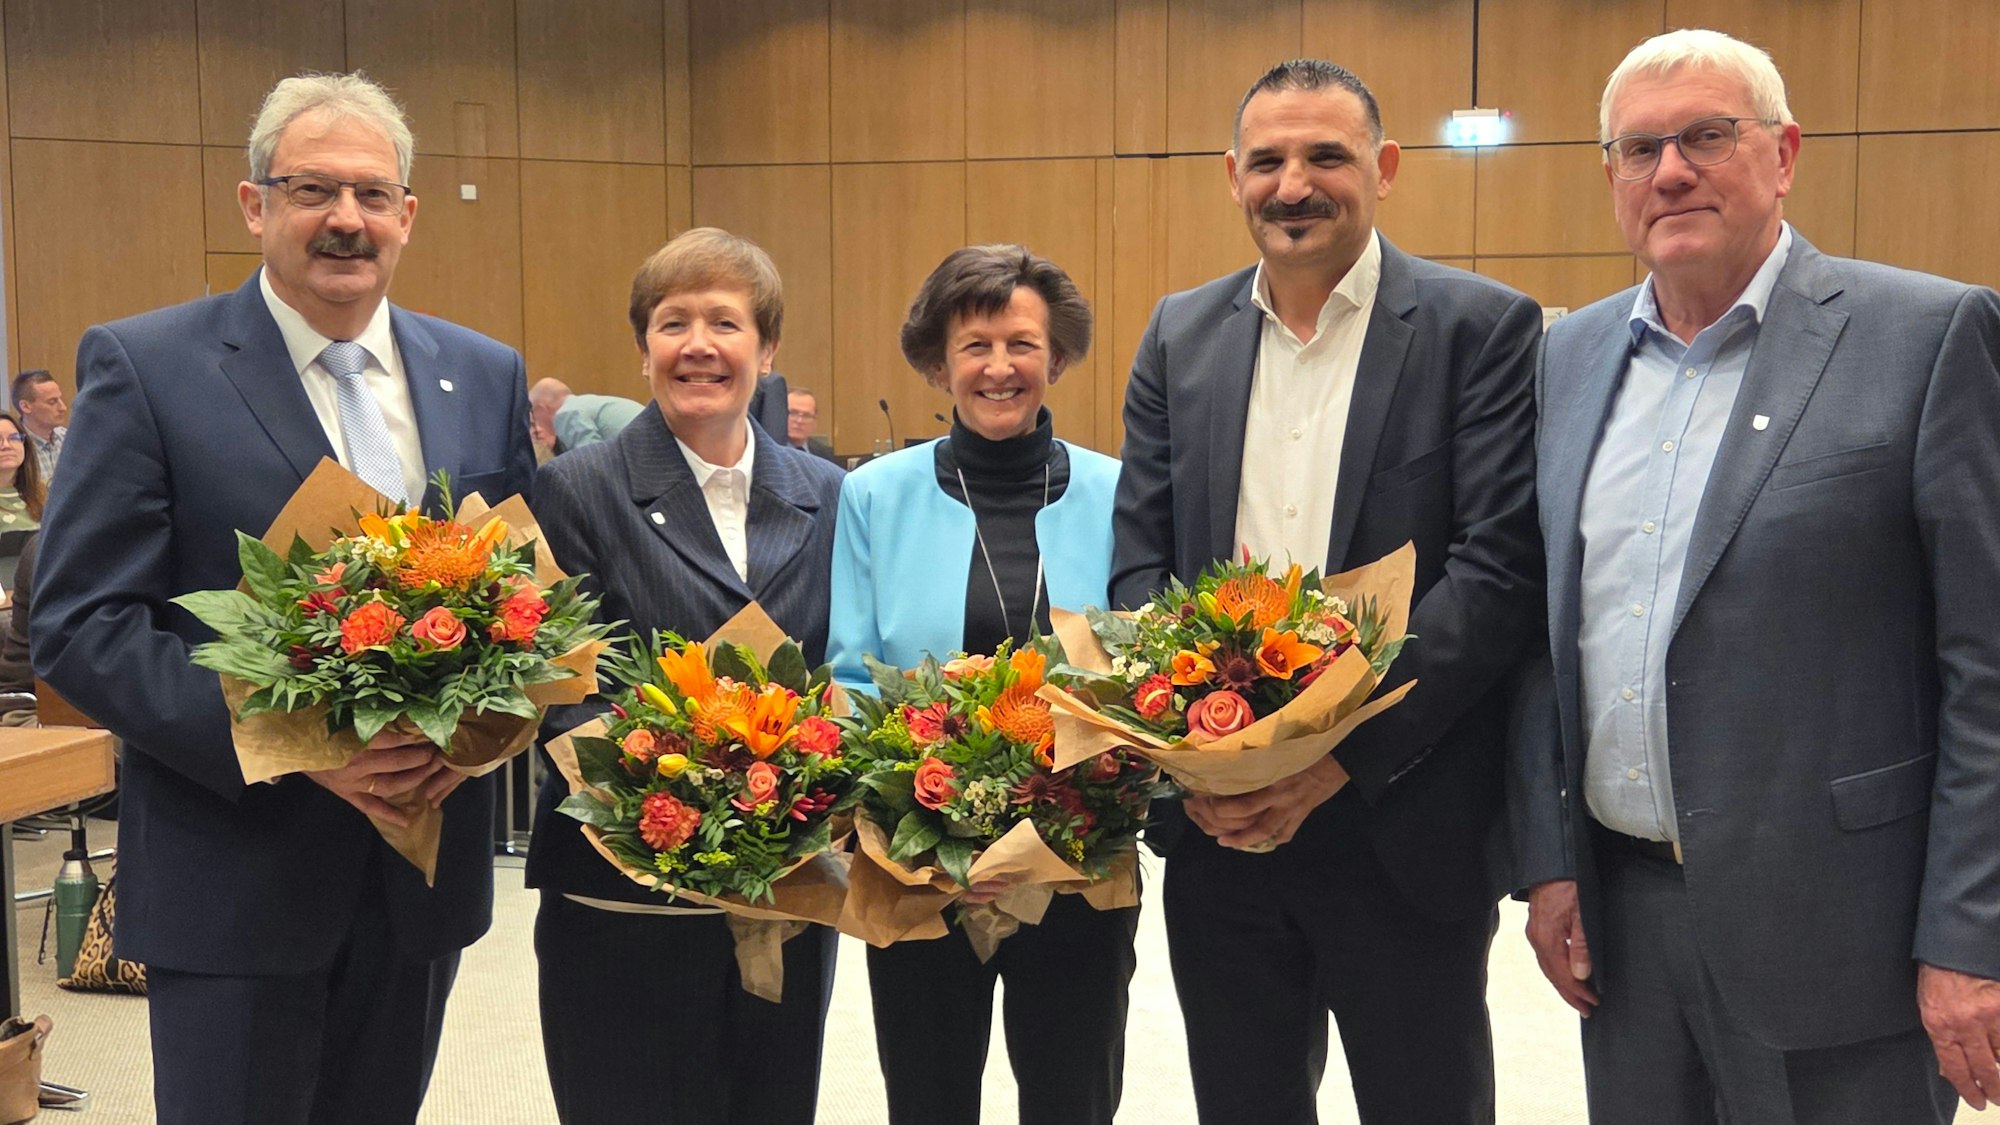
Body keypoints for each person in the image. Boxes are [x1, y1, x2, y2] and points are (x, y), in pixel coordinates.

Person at [1512, 28, 2000, 1124]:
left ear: (1782, 154)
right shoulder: (1566, 357)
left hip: (1846, 941)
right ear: (1609, 178)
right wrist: (1549, 864)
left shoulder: (1922, 335)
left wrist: (1969, 934)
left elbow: (1985, 667)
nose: (1669, 171)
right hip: (1626, 941)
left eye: (1703, 138)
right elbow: (1548, 640)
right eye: (1637, 149)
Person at [29, 72, 534, 1125]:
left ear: (408, 215)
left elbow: (522, 605)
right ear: (255, 205)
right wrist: (302, 742)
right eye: (313, 190)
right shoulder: (148, 364)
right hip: (234, 879)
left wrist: (482, 730)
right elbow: (83, 625)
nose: (346, 220)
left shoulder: (481, 373)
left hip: (417, 880)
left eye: (372, 195)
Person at [1110, 59, 1545, 1125]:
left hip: (1401, 818)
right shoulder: (1178, 335)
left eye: (1325, 157)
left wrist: (1329, 759)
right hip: (1218, 832)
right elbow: (1138, 565)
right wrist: (1195, 757)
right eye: (1266, 160)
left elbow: (1493, 574)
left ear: (1384, 169)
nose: (1292, 184)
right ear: (1231, 177)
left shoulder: (1477, 329)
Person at [524, 227, 846, 1125]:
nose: (698, 345)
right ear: (642, 350)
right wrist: (688, 791)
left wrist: (798, 789)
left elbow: (841, 667)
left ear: (767, 349)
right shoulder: (577, 487)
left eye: (726, 322)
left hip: (786, 889)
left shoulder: (828, 493)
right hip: (622, 892)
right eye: (673, 323)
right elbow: (560, 684)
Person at [828, 244, 1134, 1124]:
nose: (999, 367)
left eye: (1022, 344)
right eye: (975, 346)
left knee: (1071, 1094)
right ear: (938, 362)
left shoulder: (1122, 492)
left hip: (1081, 854)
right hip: (917, 859)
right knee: (927, 1096)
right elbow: (850, 670)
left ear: (1058, 357)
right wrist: (919, 829)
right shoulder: (874, 495)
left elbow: (1138, 674)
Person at [527, 377, 646, 455]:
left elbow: (591, 467)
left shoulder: (567, 414)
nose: (534, 426)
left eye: (533, 416)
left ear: (542, 408)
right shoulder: (587, 404)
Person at [11, 370, 67, 481]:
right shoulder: (13, 448)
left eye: (60, 399)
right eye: (52, 402)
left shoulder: (68, 438)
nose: (63, 408)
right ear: (26, 407)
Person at [785, 387, 838, 462]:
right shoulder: (767, 450)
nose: (799, 420)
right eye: (793, 413)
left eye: (806, 415)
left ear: (814, 421)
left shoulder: (825, 454)